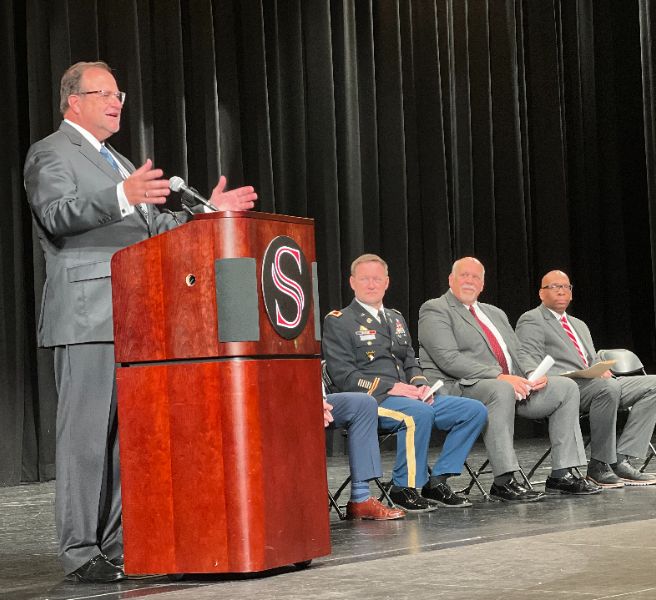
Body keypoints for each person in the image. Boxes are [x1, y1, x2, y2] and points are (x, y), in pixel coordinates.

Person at [23, 61, 257, 583]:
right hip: (87, 316)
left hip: (136, 314)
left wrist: (206, 213)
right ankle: (80, 551)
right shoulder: (51, 152)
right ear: (73, 101)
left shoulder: (118, 160)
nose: (115, 102)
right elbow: (58, 215)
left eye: (119, 93)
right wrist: (120, 196)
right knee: (85, 440)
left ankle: (113, 543)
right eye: (102, 93)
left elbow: (155, 228)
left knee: (124, 439)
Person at [418, 257, 600, 502]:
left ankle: (561, 475)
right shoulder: (435, 309)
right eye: (464, 275)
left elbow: (517, 354)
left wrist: (532, 375)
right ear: (451, 279)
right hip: (460, 387)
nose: (470, 281)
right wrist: (501, 377)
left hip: (507, 386)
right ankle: (504, 481)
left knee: (565, 387)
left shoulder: (495, 313)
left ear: (482, 284)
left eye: (476, 277)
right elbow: (448, 359)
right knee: (500, 389)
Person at [322, 254, 487, 512]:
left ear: (387, 282)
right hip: (373, 400)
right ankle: (403, 488)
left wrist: (421, 385)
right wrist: (390, 387)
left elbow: (411, 361)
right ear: (352, 282)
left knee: (473, 410)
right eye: (365, 279)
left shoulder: (395, 318)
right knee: (418, 414)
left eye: (377, 279)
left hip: (409, 396)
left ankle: (438, 481)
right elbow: (344, 376)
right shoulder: (339, 321)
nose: (371, 284)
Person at [516, 270, 656, 488]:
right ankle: (599, 464)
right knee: (606, 387)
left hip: (595, 384)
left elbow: (589, 360)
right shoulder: (532, 319)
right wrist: (533, 374)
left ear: (571, 293)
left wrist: (599, 368)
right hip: (562, 386)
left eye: (566, 287)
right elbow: (525, 356)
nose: (561, 290)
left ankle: (621, 458)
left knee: (652, 384)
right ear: (541, 294)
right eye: (554, 286)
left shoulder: (579, 324)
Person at [323, 394, 405, 520]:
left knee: (364, 403)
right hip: (288, 400)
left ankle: (360, 498)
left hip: (313, 396)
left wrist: (319, 398)